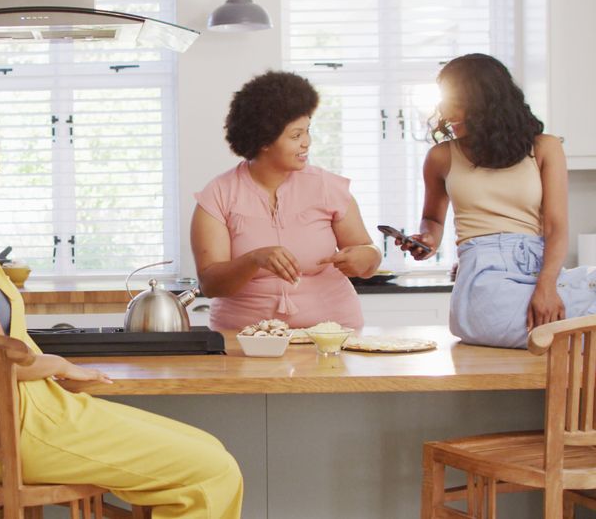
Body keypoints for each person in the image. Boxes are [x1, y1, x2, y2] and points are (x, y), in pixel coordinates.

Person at [0, 106, 244, 518]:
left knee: (207, 452)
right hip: (28, 426)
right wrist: (59, 364)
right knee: (214, 471)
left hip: (8, 425)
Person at [400, 53, 596, 348]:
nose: (446, 110)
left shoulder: (544, 148)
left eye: (456, 101)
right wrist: (427, 238)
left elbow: (556, 227)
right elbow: (434, 219)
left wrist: (546, 286)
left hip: (537, 266)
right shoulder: (440, 156)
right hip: (484, 278)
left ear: (484, 103)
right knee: (568, 327)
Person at [191, 71, 381, 331]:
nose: (307, 143)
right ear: (264, 141)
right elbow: (210, 284)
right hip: (245, 337)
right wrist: (254, 259)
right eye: (296, 136)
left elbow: (368, 254)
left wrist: (365, 258)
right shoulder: (218, 194)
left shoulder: (328, 187)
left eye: (307, 132)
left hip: (332, 334)